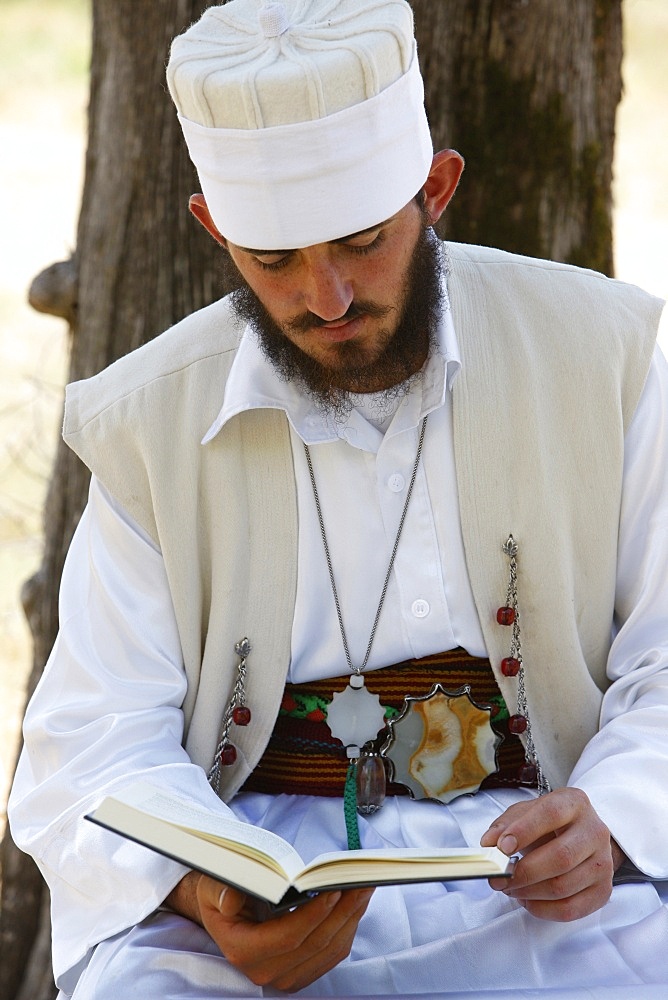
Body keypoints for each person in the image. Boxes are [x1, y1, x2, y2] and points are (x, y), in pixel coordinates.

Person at [8, 0, 668, 996]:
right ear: (215, 227)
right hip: (260, 896)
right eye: (273, 260)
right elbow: (93, 733)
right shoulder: (151, 420)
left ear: (433, 189)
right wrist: (199, 893)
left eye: (361, 241)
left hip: (539, 895)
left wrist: (613, 814)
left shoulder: (604, 356)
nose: (326, 298)